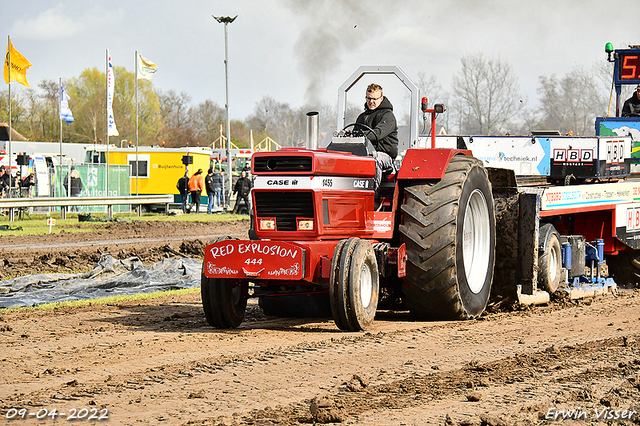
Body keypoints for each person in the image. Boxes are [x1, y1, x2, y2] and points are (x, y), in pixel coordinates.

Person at [355, 83, 398, 192]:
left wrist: (361, 135)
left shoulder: (388, 116)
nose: (371, 102)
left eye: (374, 99)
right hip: (364, 152)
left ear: (381, 98)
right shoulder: (362, 117)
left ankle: (373, 195)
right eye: (369, 98)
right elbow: (355, 135)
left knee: (375, 159)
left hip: (384, 154)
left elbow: (377, 134)